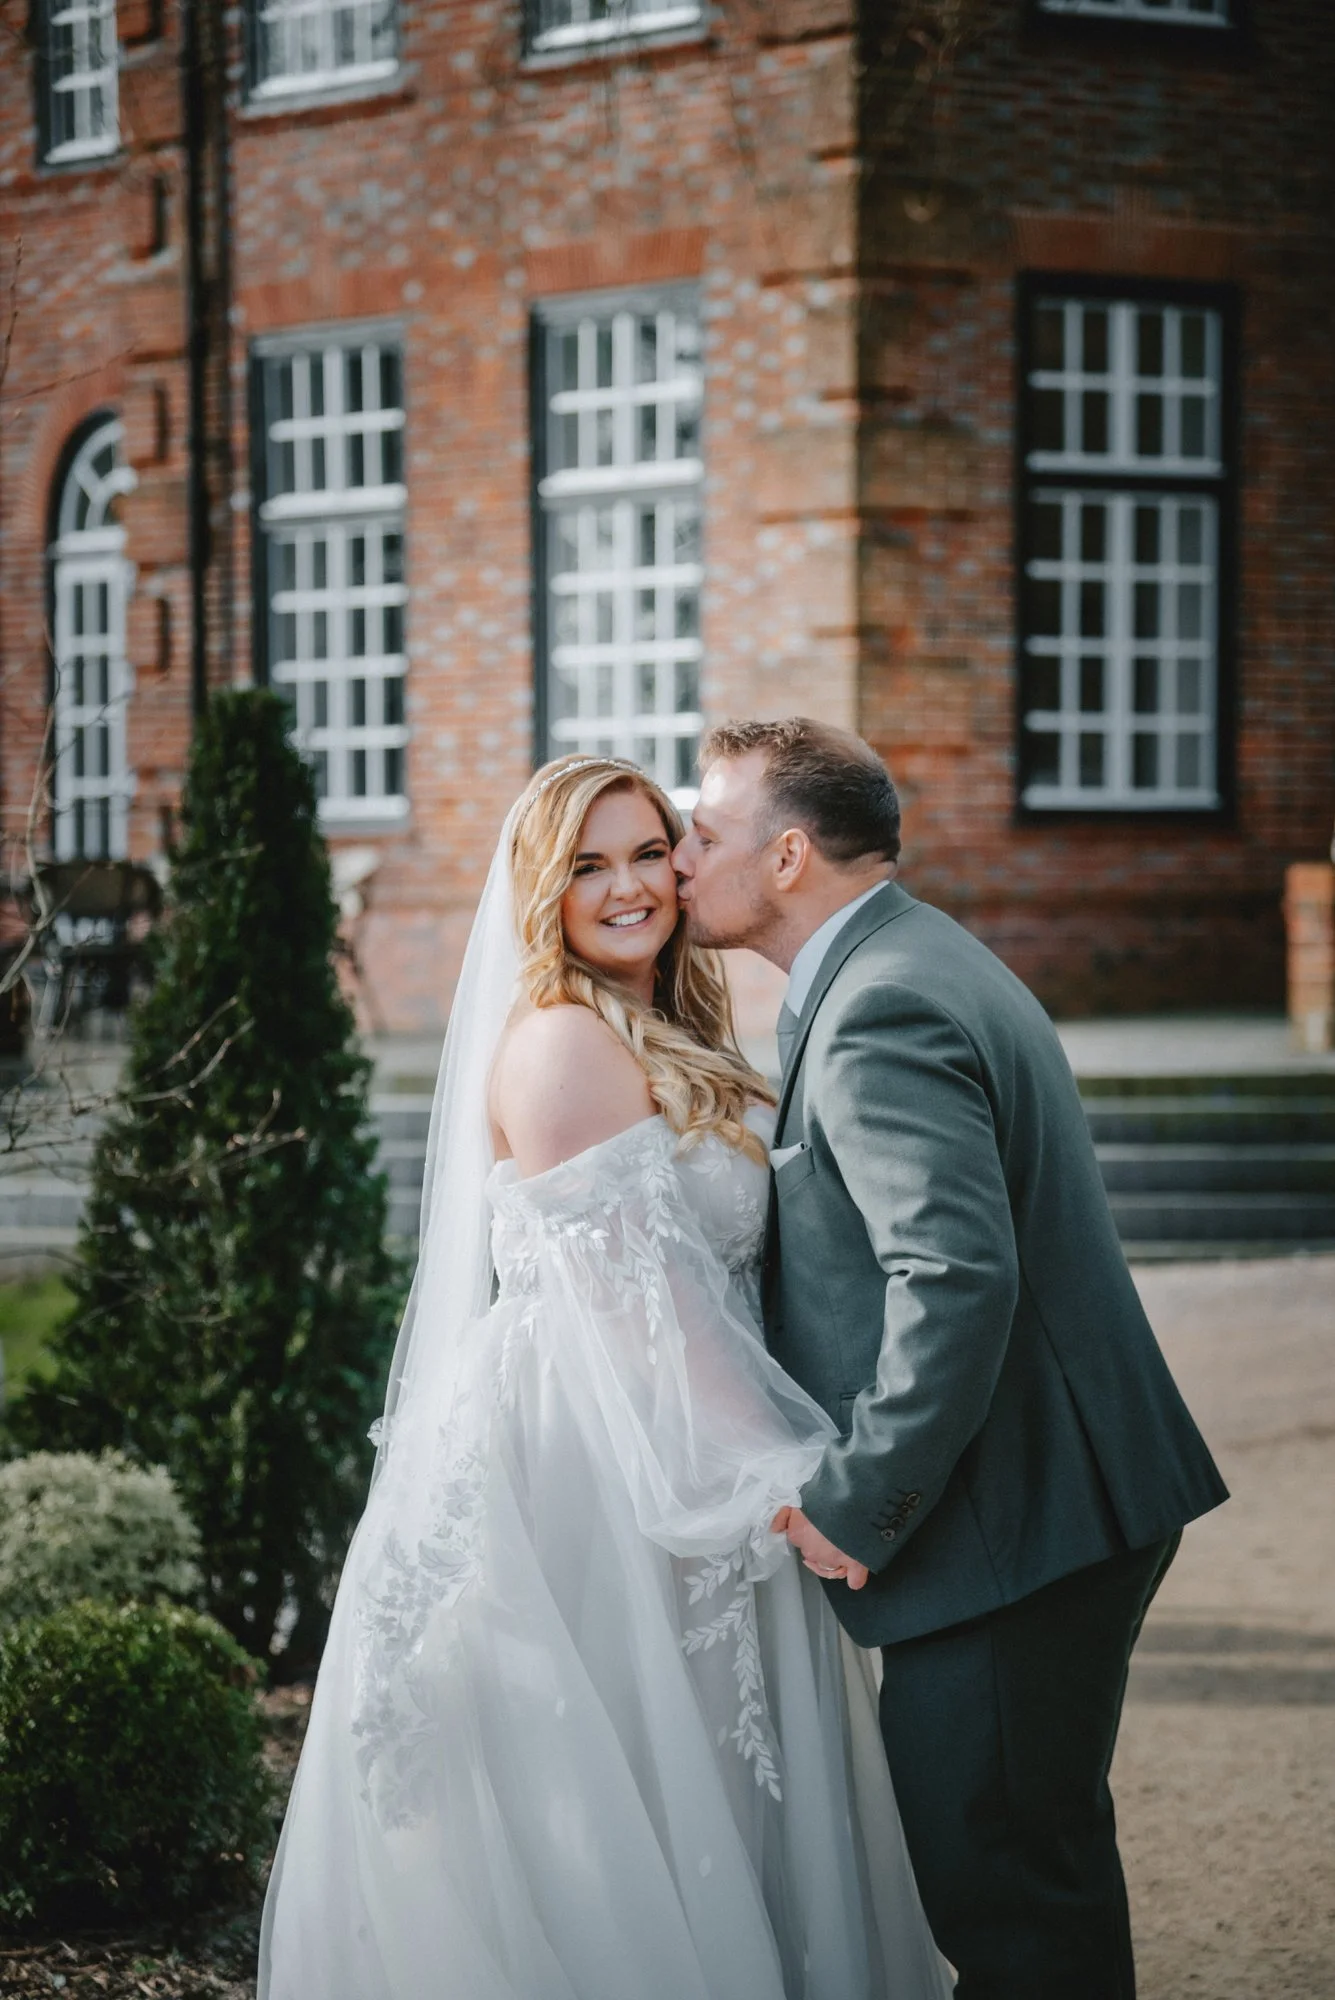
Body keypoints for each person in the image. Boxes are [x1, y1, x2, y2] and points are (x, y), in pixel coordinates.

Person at [259, 753, 952, 2000]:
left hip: (674, 1429)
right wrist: (796, 1483)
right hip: (605, 1464)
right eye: (589, 864)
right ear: (543, 889)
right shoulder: (564, 1046)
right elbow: (653, 1320)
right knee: (620, 1797)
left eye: (649, 851)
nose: (630, 885)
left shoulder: (665, 1022)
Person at [673, 716, 1230, 2000]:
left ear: (790, 852)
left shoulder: (881, 1005)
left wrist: (856, 1499)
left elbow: (955, 1279)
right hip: (1048, 1499)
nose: (685, 854)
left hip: (1009, 1524)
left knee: (1008, 1891)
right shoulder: (909, 956)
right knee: (1037, 1867)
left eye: (706, 830)